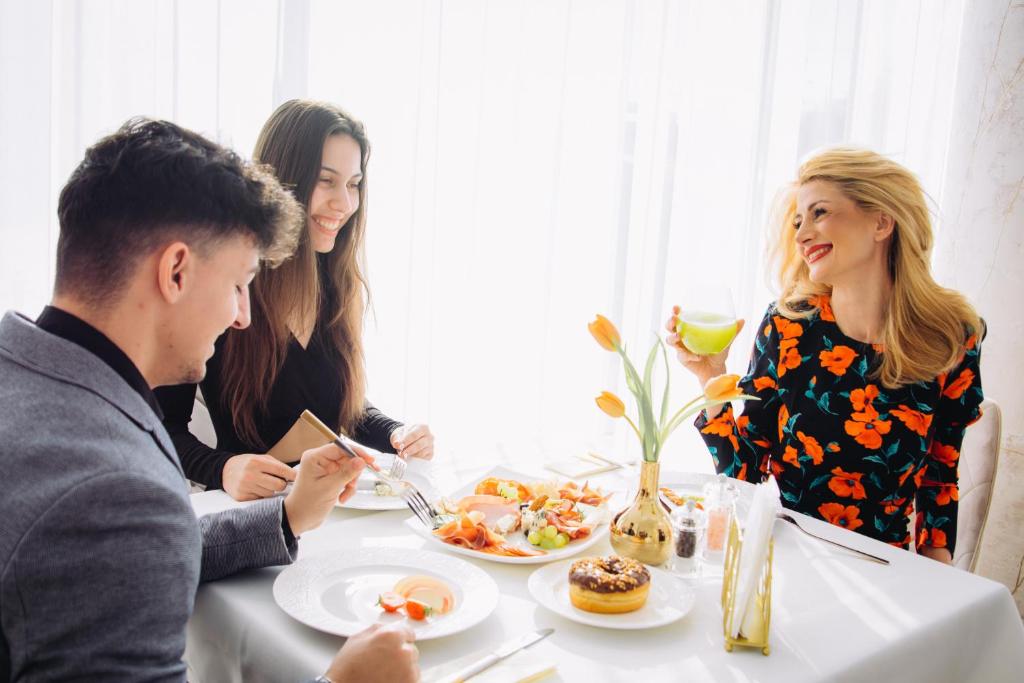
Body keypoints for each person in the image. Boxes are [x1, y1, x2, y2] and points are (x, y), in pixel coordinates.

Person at [0, 118, 418, 682]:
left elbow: (137, 551)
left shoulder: (29, 377)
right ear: (176, 271)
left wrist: (286, 517)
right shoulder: (112, 490)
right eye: (240, 283)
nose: (242, 315)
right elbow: (125, 529)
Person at [669, 147, 984, 563]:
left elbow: (940, 476)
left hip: (887, 568)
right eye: (798, 221)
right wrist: (712, 377)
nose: (801, 235)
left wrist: (939, 581)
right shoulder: (787, 326)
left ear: (881, 222)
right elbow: (742, 477)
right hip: (790, 560)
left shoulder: (949, 336)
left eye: (819, 213)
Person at [157, 100, 434, 501]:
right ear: (282, 182)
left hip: (325, 508)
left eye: (354, 184)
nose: (345, 203)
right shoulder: (223, 285)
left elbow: (337, 403)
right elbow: (160, 428)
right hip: (248, 513)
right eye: (326, 180)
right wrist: (224, 468)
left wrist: (395, 432)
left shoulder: (336, 284)